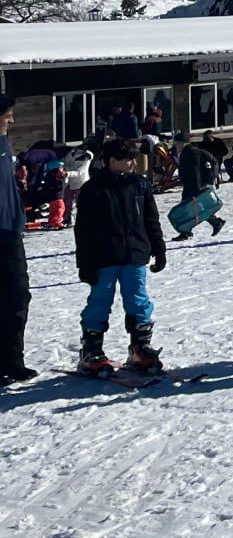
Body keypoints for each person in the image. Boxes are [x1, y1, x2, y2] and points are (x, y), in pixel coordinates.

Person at [72, 139, 166, 375]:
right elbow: (83, 230)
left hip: (135, 254)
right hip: (104, 257)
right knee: (100, 300)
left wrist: (159, 247)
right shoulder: (93, 189)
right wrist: (85, 264)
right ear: (112, 161)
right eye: (128, 159)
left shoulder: (139, 185)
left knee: (138, 299)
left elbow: (151, 219)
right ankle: (91, 350)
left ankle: (140, 346)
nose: (134, 163)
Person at [0, 96, 33, 386]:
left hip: (10, 231)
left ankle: (13, 361)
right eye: (7, 115)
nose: (11, 120)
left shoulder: (5, 145)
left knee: (18, 295)